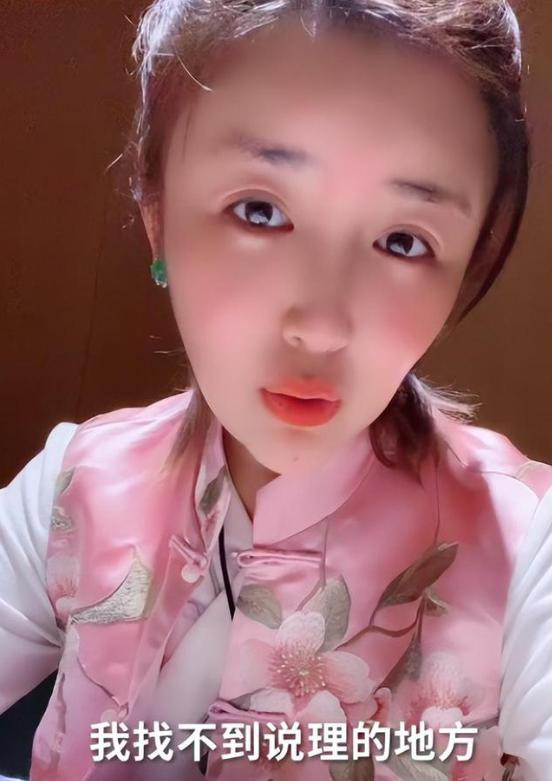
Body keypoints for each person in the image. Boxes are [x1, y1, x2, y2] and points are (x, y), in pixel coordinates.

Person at [1, 0, 552, 779]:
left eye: (404, 242)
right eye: (259, 211)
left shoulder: (530, 545)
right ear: (157, 215)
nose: (321, 326)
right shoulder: (76, 485)